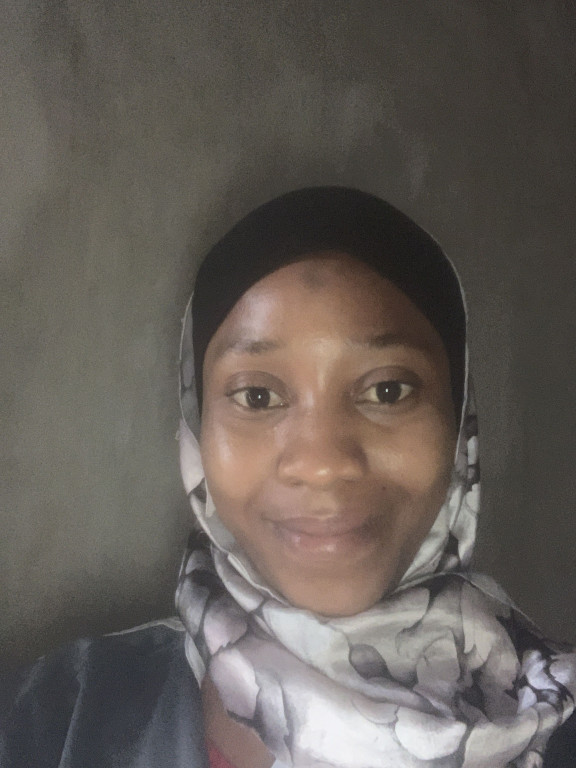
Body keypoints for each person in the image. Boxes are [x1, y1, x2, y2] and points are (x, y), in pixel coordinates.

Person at [1, 187, 575, 767]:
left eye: (387, 390)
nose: (322, 462)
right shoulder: (55, 721)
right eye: (257, 395)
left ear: (458, 426)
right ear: (197, 432)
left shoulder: (558, 728)